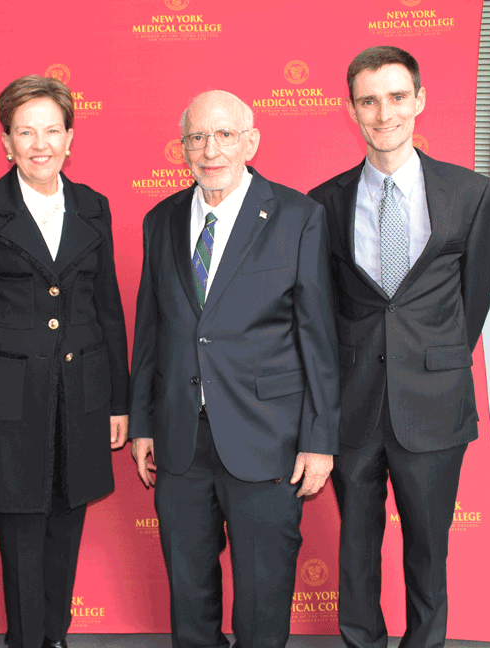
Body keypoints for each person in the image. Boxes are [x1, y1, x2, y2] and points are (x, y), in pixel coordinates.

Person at [129, 90, 340, 648]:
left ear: (251, 141)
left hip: (266, 435)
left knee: (262, 595)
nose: (210, 149)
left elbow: (318, 338)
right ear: (182, 149)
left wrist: (320, 440)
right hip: (179, 438)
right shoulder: (161, 219)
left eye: (224, 135)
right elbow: (150, 331)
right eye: (197, 137)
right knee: (189, 592)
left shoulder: (299, 217)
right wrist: (143, 423)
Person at [308, 46, 490, 648]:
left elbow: (473, 303)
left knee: (428, 550)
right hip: (353, 406)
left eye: (395, 97)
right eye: (368, 100)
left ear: (418, 100)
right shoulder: (323, 202)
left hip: (434, 404)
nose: (382, 112)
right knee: (356, 550)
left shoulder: (469, 193)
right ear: (352, 110)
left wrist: (430, 361)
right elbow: (324, 307)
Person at [0, 75, 130, 648]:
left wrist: (119, 401)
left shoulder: (94, 207)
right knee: (21, 541)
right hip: (6, 408)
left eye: (52, 130)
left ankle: (56, 637)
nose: (39, 144)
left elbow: (110, 311)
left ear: (71, 138)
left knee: (66, 530)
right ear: (6, 143)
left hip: (82, 398)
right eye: (26, 132)